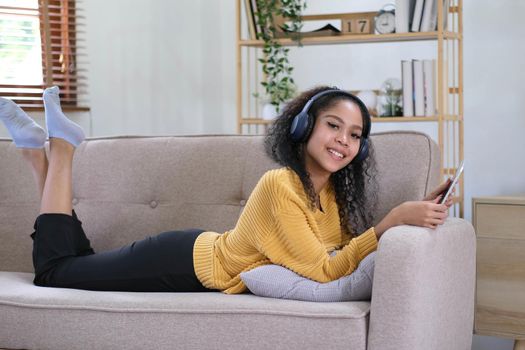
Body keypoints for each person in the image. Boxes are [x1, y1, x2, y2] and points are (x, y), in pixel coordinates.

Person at [0, 86, 452, 295]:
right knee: (54, 273)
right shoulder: (280, 185)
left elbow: (337, 252)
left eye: (355, 135)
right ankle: (60, 151)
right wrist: (391, 222)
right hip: (181, 265)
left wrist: (404, 216)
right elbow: (324, 269)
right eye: (334, 126)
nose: (344, 141)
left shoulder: (331, 195)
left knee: (76, 263)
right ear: (304, 127)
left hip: (194, 253)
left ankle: (36, 157)